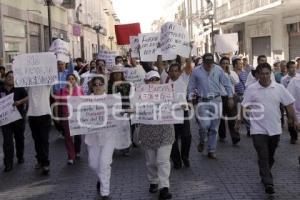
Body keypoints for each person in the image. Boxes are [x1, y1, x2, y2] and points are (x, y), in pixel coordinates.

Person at [235, 62, 299, 194]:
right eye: (262, 74)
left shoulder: (279, 88)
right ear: (257, 75)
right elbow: (244, 106)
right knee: (263, 155)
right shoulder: (252, 89)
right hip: (257, 129)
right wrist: (238, 120)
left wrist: (295, 120)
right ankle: (268, 182)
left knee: (270, 156)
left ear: (270, 74)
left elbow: (288, 105)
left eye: (267, 73)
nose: (264, 76)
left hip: (275, 128)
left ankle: (265, 172)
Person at [187, 53, 234, 159]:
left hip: (217, 101)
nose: (209, 65)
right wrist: (189, 99)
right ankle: (202, 140)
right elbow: (191, 86)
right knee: (204, 126)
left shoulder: (218, 70)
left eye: (211, 63)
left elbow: (227, 83)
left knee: (214, 128)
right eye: (207, 63)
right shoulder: (196, 71)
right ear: (203, 62)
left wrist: (230, 97)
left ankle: (211, 150)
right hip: (202, 101)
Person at [138, 70, 174, 200]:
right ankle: (153, 181)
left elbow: (175, 104)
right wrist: (130, 110)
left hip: (165, 131)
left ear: (160, 81)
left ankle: (164, 187)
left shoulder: (168, 92)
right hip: (148, 132)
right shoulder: (139, 95)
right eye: (151, 80)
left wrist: (182, 105)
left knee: (162, 160)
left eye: (156, 79)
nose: (154, 82)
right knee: (151, 162)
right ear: (146, 82)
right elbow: (135, 108)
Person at [85, 77, 114, 200]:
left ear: (104, 86)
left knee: (104, 163)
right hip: (93, 137)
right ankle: (101, 178)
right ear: (92, 86)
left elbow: (118, 113)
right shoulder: (85, 101)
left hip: (108, 136)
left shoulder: (111, 100)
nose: (98, 86)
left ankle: (105, 192)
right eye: (95, 84)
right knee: (93, 163)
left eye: (100, 84)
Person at [0, 71, 28, 172]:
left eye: (13, 77)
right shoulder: (1, 89)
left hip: (18, 118)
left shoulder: (19, 88)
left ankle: (20, 156)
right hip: (5, 120)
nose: (11, 78)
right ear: (5, 78)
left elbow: (27, 97)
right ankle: (8, 163)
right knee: (7, 141)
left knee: (19, 138)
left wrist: (19, 102)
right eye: (9, 77)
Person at [166, 63, 191, 169]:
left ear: (180, 72)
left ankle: (185, 156)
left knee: (186, 136)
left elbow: (189, 65)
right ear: (168, 72)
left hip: (183, 112)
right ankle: (176, 161)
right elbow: (159, 65)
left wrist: (188, 49)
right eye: (171, 70)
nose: (174, 73)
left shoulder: (183, 79)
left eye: (176, 70)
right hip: (169, 113)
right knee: (172, 138)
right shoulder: (165, 80)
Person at [58, 74, 83, 164]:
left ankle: (77, 151)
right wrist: (59, 116)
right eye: (69, 79)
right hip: (66, 117)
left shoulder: (79, 90)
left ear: (75, 80)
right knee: (68, 137)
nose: (71, 80)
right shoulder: (62, 91)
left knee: (78, 137)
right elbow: (59, 105)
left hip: (77, 116)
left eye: (72, 79)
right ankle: (70, 156)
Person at [28, 85, 52, 175]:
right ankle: (40, 159)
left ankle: (45, 163)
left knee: (44, 140)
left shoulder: (46, 83)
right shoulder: (29, 83)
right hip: (32, 115)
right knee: (37, 140)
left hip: (45, 114)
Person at [218, 57, 241, 144]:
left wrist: (229, 73)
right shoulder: (217, 73)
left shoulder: (232, 73)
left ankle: (235, 137)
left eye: (227, 63)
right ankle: (222, 136)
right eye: (223, 63)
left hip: (230, 97)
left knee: (232, 118)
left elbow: (236, 82)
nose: (225, 65)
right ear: (220, 64)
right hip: (220, 98)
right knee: (221, 119)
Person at [281, 61, 299, 144]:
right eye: (291, 67)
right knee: (290, 120)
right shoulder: (284, 79)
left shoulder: (299, 77)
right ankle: (293, 136)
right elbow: (283, 91)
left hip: (298, 101)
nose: (293, 69)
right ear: (287, 69)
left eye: (294, 67)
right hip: (289, 103)